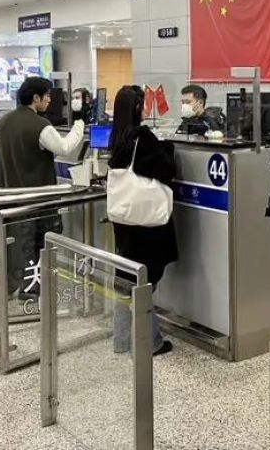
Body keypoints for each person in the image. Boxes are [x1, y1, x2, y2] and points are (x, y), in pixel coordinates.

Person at [0, 77, 85, 296]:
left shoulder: (3, 122)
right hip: (36, 199)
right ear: (36, 97)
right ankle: (30, 290)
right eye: (47, 95)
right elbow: (64, 147)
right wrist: (79, 124)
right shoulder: (41, 125)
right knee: (34, 244)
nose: (50, 100)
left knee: (14, 244)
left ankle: (12, 286)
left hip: (9, 197)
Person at [108, 85, 178, 357]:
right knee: (145, 284)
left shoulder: (116, 137)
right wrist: (166, 148)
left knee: (125, 281)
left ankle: (121, 339)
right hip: (147, 224)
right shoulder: (142, 137)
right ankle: (151, 342)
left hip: (124, 220)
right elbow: (166, 169)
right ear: (138, 108)